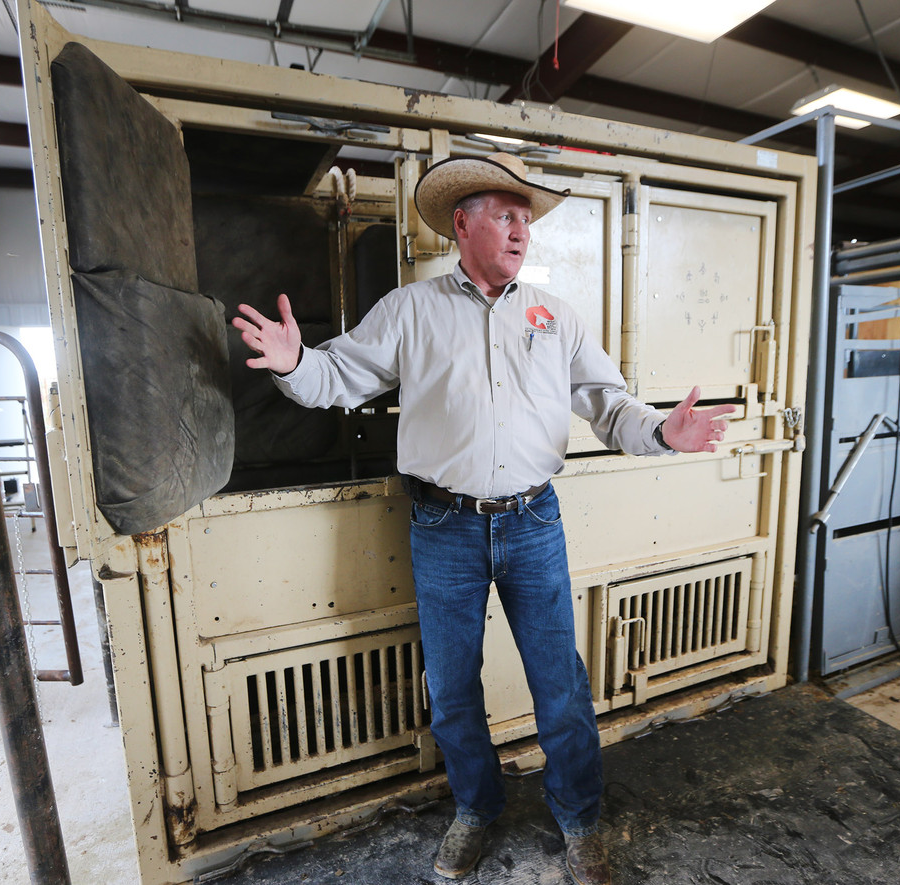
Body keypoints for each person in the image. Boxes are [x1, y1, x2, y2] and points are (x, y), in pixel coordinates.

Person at [233, 152, 734, 885]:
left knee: (558, 680)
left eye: (526, 217)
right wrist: (291, 361)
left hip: (534, 522)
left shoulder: (554, 317)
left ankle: (580, 818)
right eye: (505, 214)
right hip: (444, 528)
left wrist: (662, 430)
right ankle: (475, 807)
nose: (521, 229)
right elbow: (337, 376)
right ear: (461, 224)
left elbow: (609, 405)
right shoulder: (411, 311)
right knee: (453, 683)